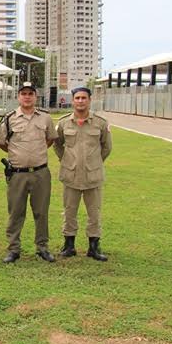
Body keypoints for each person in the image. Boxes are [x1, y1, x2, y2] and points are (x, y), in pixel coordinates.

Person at [0, 81, 58, 263]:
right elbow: (1, 142)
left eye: (31, 93)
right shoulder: (9, 118)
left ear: (35, 97)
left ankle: (42, 247)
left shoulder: (45, 118)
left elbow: (50, 139)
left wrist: (35, 154)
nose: (27, 97)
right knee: (16, 212)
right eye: (24, 93)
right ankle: (13, 249)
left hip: (40, 173)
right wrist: (17, 154)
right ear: (18, 97)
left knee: (41, 212)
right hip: (17, 174)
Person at [53, 87, 112, 261]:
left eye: (83, 98)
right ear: (72, 100)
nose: (80, 101)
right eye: (77, 98)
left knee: (94, 212)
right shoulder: (64, 123)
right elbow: (58, 145)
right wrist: (67, 161)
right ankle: (69, 245)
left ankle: (94, 247)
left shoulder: (100, 123)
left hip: (92, 176)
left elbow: (107, 147)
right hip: (70, 176)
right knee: (69, 211)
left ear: (89, 100)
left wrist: (94, 163)